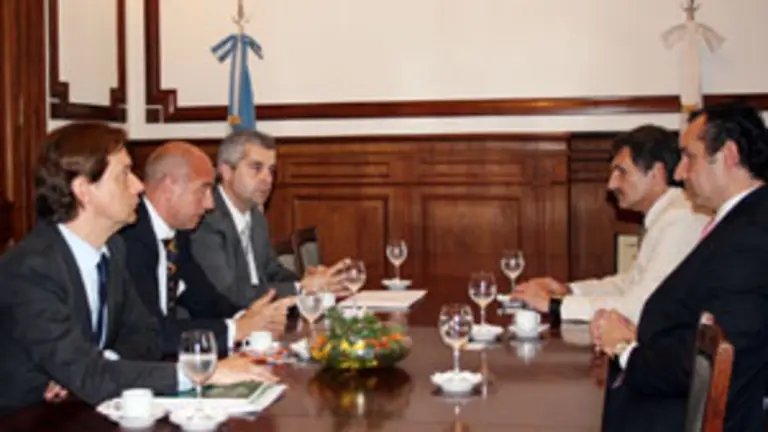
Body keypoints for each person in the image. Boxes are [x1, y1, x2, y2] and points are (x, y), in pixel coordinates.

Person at [0, 123, 274, 414]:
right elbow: (90, 376)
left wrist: (92, 366)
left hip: (80, 410)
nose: (139, 186)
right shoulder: (31, 270)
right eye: (123, 176)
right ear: (83, 190)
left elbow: (146, 336)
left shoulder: (112, 249)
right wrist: (201, 372)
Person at [595, 102, 768, 432]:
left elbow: (711, 362)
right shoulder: (739, 222)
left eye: (690, 157)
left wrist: (626, 350)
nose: (679, 172)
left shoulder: (751, 237)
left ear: (728, 155)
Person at [511, 125, 709, 323]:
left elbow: (641, 306)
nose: (611, 184)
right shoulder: (669, 213)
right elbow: (629, 283)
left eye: (621, 172)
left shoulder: (681, 218)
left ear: (656, 173)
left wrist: (554, 305)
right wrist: (568, 291)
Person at [118, 141, 294, 356]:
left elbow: (204, 298)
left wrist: (249, 317)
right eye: (203, 190)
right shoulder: (128, 237)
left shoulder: (177, 235)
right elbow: (149, 333)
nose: (210, 204)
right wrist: (236, 329)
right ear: (169, 187)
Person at [189, 129, 349, 308]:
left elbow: (272, 271)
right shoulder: (206, 219)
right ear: (226, 171)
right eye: (256, 168)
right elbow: (228, 292)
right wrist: (300, 287)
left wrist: (310, 281)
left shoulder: (256, 217)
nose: (267, 178)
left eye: (271, 170)